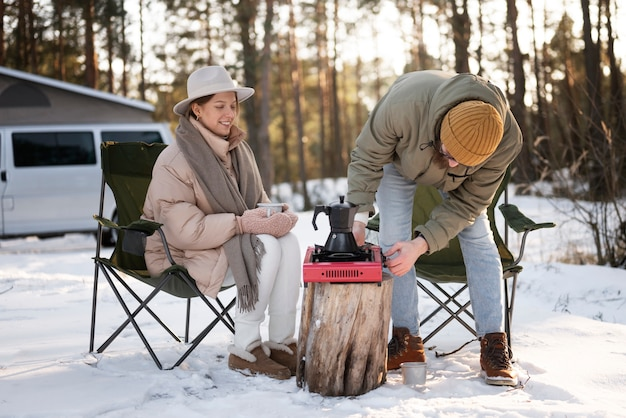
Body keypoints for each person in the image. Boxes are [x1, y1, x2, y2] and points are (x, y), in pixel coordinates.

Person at [347, 70, 523, 386]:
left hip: (462, 188)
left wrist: (422, 243)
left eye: (464, 160)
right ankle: (406, 342)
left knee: (480, 237)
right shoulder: (404, 105)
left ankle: (494, 345)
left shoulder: (506, 141)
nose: (453, 163)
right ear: (443, 128)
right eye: (451, 154)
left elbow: (468, 205)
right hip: (401, 160)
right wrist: (358, 219)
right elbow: (367, 157)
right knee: (393, 240)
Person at [143, 66, 301, 380]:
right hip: (179, 254)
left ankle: (283, 343)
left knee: (288, 241)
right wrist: (244, 224)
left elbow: (256, 203)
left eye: (233, 105)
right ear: (197, 110)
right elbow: (185, 231)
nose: (229, 114)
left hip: (222, 246)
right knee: (265, 245)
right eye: (220, 106)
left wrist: (276, 214)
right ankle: (245, 347)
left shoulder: (238, 150)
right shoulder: (176, 160)